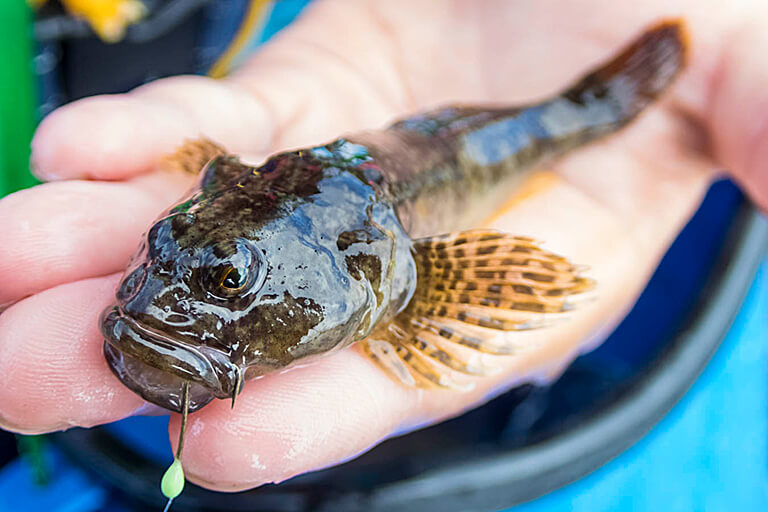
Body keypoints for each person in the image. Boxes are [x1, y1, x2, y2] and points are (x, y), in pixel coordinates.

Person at [0, 0, 766, 492]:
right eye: (161, 255)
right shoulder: (219, 213)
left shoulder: (382, 264)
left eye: (229, 282)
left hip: (453, 153)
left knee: (576, 118)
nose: (154, 299)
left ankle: (611, 96)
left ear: (371, 270)